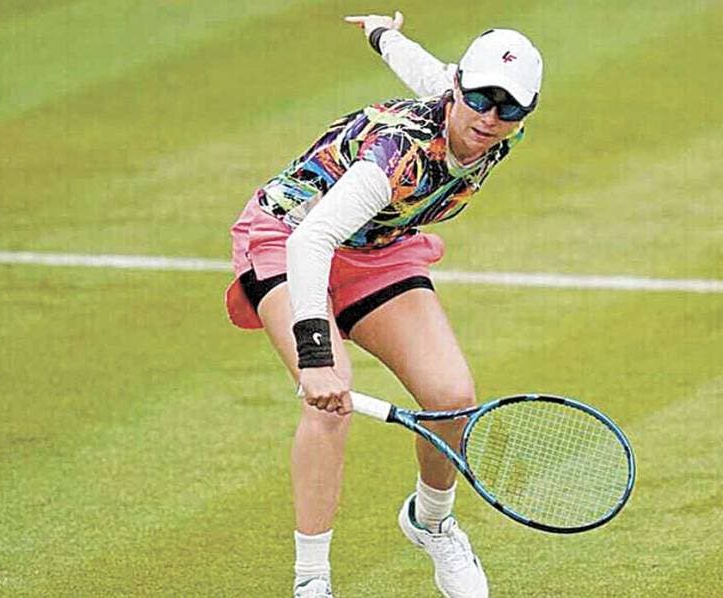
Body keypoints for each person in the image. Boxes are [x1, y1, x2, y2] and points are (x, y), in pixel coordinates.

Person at [225, 11, 542, 598]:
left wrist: (383, 35)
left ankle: (431, 522)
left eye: (509, 107)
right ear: (459, 89)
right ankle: (312, 580)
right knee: (329, 403)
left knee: (451, 397)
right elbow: (312, 240)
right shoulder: (397, 156)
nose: (489, 117)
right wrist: (316, 357)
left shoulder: (495, 131)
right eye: (479, 98)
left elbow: (425, 71)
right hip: (289, 235)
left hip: (378, 248)